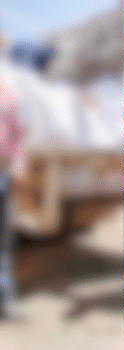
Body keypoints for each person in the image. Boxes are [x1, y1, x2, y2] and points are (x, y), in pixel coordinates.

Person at [0, 79, 25, 320]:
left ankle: (6, 302)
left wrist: (18, 166)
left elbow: (18, 132)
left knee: (3, 244)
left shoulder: (6, 91)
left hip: (3, 175)